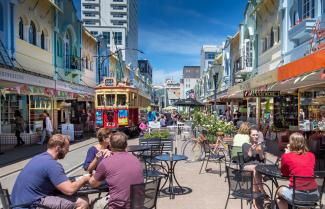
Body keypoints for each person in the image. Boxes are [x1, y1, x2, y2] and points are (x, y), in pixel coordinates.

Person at [11, 134, 90, 209]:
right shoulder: (52, 164)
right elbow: (69, 190)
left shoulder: (38, 157)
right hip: (31, 204)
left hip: (19, 203)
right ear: (58, 148)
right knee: (83, 201)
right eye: (67, 148)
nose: (68, 151)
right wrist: (84, 179)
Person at [89, 132, 143, 209]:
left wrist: (87, 178)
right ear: (126, 145)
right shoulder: (135, 159)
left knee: (93, 203)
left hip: (118, 206)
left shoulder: (106, 162)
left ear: (110, 145)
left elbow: (93, 184)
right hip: (137, 204)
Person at [276, 132, 318, 209]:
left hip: (297, 195)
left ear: (291, 143)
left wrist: (286, 154)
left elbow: (284, 172)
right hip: (314, 194)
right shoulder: (311, 155)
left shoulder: (287, 156)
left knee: (279, 190)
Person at [242, 128, 266, 209]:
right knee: (255, 168)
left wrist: (260, 152)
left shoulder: (261, 145)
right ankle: (263, 191)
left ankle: (255, 204)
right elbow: (246, 159)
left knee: (254, 177)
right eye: (253, 135)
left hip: (257, 168)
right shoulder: (245, 145)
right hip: (247, 166)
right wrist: (251, 150)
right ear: (250, 135)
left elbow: (262, 159)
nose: (255, 136)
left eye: (256, 135)